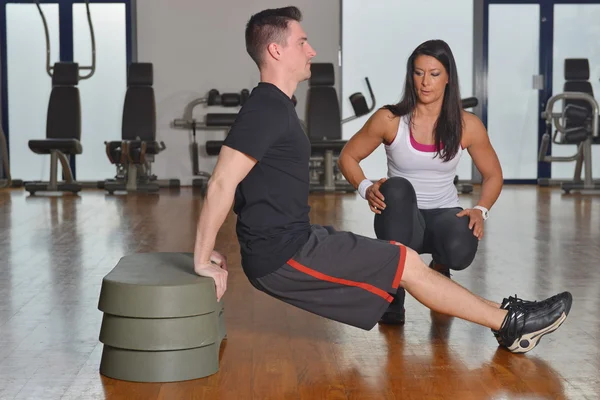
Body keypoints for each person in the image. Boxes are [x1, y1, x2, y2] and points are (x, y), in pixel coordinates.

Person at [192, 6, 572, 354]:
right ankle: (511, 325)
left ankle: (506, 312)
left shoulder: (277, 107)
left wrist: (208, 249)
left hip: (298, 238)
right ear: (276, 51)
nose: (311, 50)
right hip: (283, 255)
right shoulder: (266, 108)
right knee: (405, 262)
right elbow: (222, 182)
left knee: (405, 259)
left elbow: (243, 186)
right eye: (302, 42)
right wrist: (200, 259)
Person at [337, 39, 503, 325]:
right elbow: (348, 157)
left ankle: (441, 265)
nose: (425, 82)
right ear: (410, 75)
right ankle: (394, 292)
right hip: (402, 218)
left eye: (434, 74)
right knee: (397, 187)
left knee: (460, 249)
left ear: (448, 77)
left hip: (444, 214)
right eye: (418, 73)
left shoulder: (467, 125)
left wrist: (481, 210)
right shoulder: (390, 119)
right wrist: (366, 189)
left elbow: (493, 174)